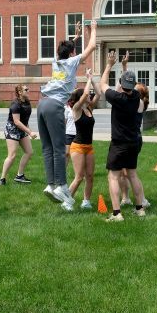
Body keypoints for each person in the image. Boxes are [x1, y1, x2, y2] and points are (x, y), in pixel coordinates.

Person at [38, 20, 97, 209]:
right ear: (72, 54)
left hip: (41, 104)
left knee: (47, 148)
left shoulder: (56, 61)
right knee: (58, 148)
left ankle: (50, 184)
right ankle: (62, 186)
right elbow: (92, 47)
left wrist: (76, 37)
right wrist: (93, 29)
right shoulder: (72, 61)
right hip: (55, 105)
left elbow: (65, 51)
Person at [98, 51, 146, 221]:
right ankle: (140, 209)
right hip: (134, 142)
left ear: (121, 84)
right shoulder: (137, 97)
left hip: (119, 144)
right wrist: (125, 66)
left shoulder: (117, 98)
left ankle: (117, 213)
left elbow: (103, 83)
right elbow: (126, 85)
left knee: (113, 176)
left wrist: (109, 64)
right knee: (133, 174)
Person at [119, 53, 151, 209]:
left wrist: (124, 67)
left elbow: (123, 88)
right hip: (134, 138)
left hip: (131, 139)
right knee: (124, 172)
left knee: (129, 172)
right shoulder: (138, 101)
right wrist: (125, 67)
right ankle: (125, 198)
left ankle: (142, 200)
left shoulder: (135, 101)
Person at [68, 69, 100, 210]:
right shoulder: (76, 109)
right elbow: (86, 93)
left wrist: (92, 80)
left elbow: (99, 93)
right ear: (81, 98)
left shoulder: (89, 108)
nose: (89, 96)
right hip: (78, 147)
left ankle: (86, 201)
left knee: (90, 176)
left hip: (89, 147)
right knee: (79, 177)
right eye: (86, 96)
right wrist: (88, 78)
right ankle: (67, 201)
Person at [0, 84, 38, 186]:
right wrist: (29, 132)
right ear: (20, 92)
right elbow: (16, 121)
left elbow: (25, 120)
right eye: (26, 89)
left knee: (29, 152)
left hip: (22, 129)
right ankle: (2, 179)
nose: (28, 90)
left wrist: (29, 130)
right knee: (12, 155)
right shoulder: (15, 104)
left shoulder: (27, 102)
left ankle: (19, 176)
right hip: (12, 130)